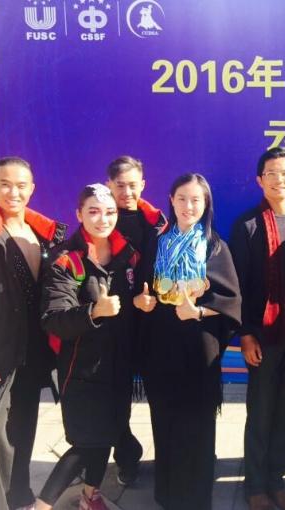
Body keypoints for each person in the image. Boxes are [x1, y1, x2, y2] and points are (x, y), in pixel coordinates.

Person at [0, 157, 66, 510]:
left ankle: (19, 494)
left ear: (32, 189)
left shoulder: (45, 234)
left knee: (22, 427)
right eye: (5, 184)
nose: (13, 192)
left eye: (21, 185)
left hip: (33, 351)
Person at [136, 173, 241, 510]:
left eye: (196, 199)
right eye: (182, 198)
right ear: (171, 200)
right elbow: (143, 288)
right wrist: (142, 301)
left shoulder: (214, 247)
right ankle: (167, 493)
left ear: (206, 203)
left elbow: (231, 301)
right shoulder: (157, 243)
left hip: (198, 349)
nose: (188, 206)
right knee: (164, 420)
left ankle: (195, 498)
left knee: (196, 425)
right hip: (161, 347)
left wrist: (197, 312)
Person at [35, 184, 138, 510]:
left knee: (109, 434)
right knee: (84, 443)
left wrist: (141, 303)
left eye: (109, 212)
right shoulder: (66, 260)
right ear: (79, 214)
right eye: (93, 211)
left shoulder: (128, 255)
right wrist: (93, 312)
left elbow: (130, 309)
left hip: (118, 367)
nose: (102, 219)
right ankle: (41, 506)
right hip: (81, 371)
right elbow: (53, 319)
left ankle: (89, 496)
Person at [230, 147, 285, 510]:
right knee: (261, 413)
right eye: (271, 173)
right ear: (260, 180)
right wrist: (246, 334)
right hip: (264, 336)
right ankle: (255, 486)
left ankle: (276, 481)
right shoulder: (247, 225)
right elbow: (237, 286)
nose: (279, 179)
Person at [105, 155, 167, 485]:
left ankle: (170, 455)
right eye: (120, 185)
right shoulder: (101, 222)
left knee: (162, 396)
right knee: (117, 399)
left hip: (154, 325)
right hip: (115, 324)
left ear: (143, 184)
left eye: (133, 185)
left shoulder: (159, 223)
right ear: (109, 186)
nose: (127, 192)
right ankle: (126, 455)